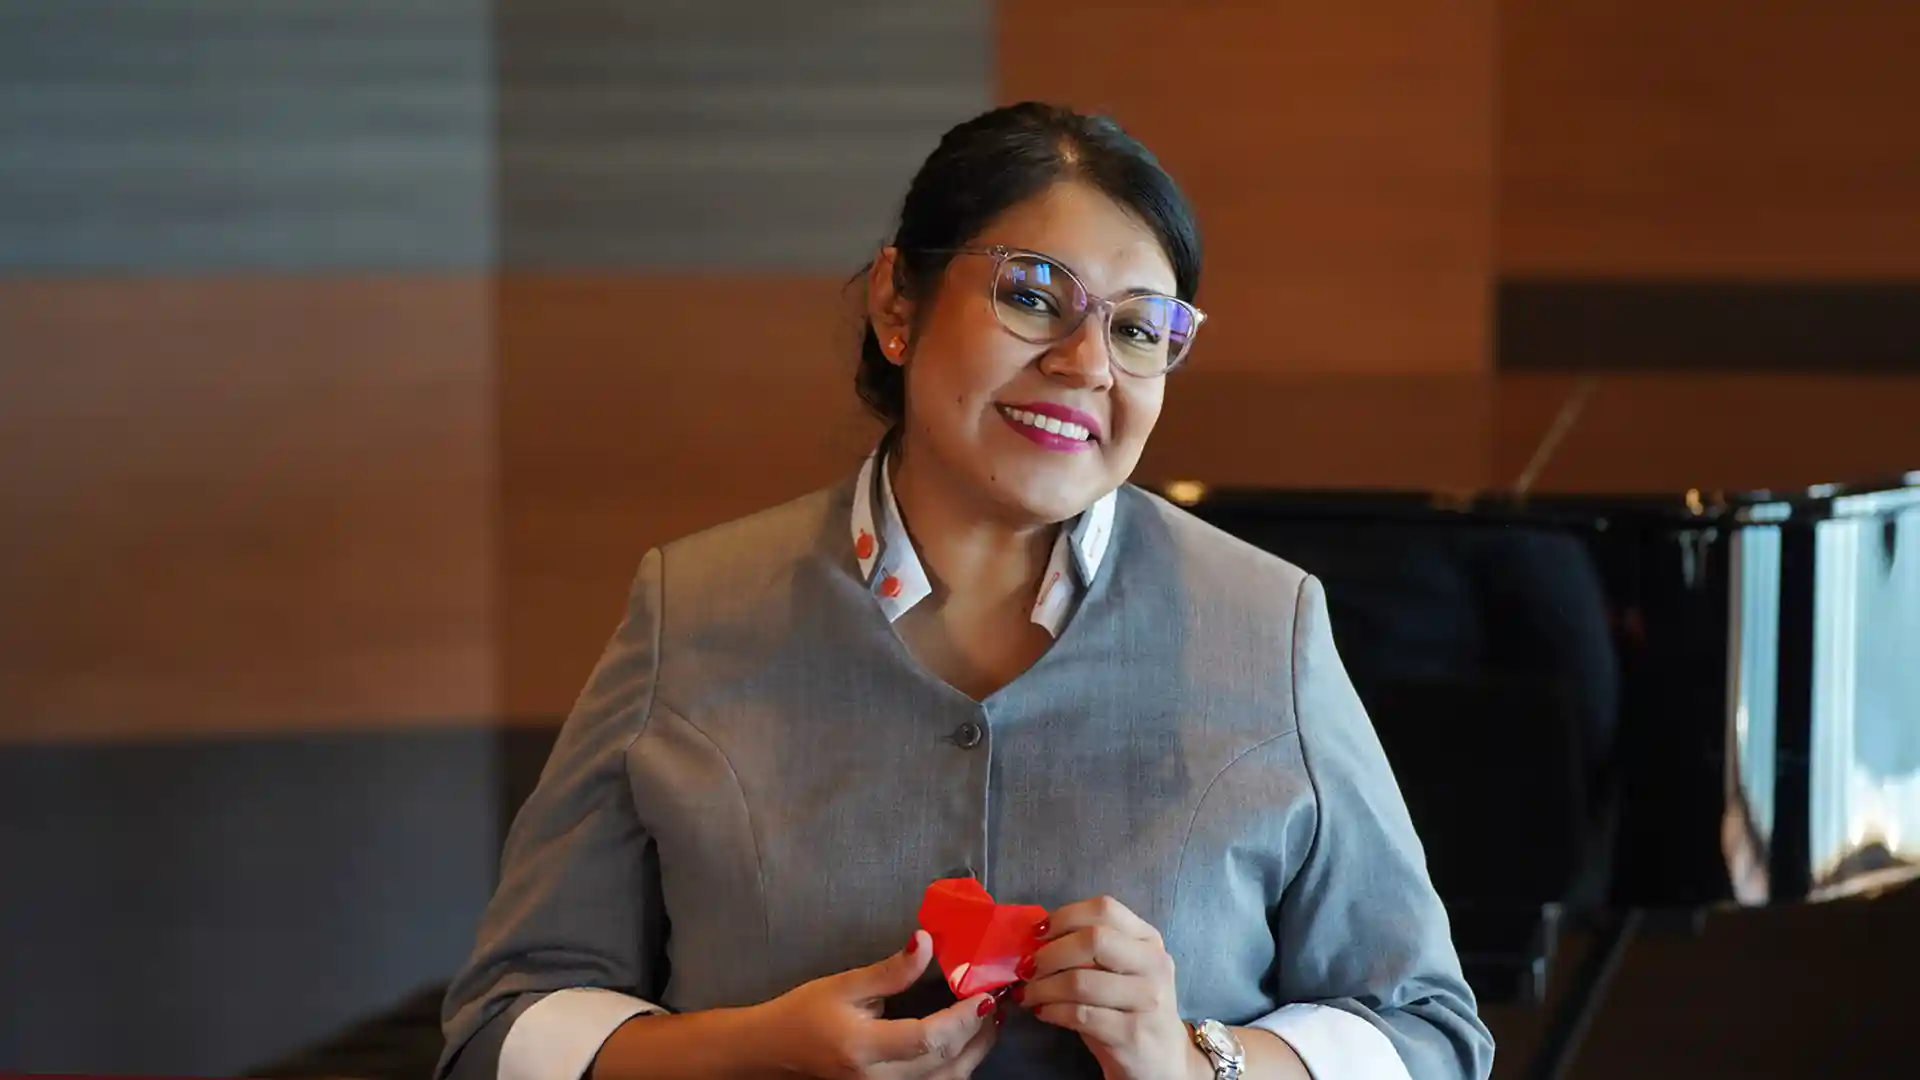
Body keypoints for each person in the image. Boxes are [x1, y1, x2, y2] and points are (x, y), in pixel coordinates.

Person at [437, 102, 1493, 1080]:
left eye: (1137, 329)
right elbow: (505, 1023)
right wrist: (753, 1052)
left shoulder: (1267, 622)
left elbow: (1428, 1030)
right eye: (1033, 296)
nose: (1087, 364)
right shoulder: (693, 605)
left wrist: (1190, 1058)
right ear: (899, 303)